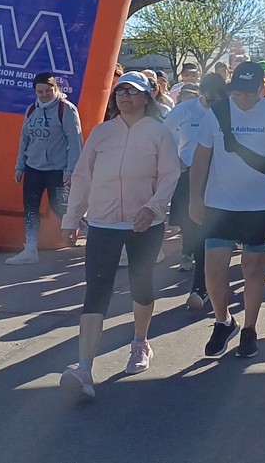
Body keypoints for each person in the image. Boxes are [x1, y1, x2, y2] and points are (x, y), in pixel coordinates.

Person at [58, 72, 180, 400]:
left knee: (142, 287)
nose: (125, 96)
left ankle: (140, 342)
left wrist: (153, 208)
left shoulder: (159, 133)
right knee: (96, 291)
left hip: (145, 225)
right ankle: (84, 368)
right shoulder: (102, 132)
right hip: (103, 223)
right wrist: (72, 218)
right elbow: (82, 176)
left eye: (132, 91)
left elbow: (170, 175)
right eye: (120, 91)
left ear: (146, 97)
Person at [189, 61, 265, 360]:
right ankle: (223, 321)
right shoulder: (217, 112)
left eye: (250, 93)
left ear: (262, 88)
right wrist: (194, 197)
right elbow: (201, 156)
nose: (244, 99)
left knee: (253, 267)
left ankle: (249, 328)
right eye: (238, 93)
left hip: (260, 205)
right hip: (220, 203)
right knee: (213, 267)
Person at [163, 76, 228, 311]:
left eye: (218, 101)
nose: (213, 105)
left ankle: (204, 286)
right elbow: (162, 135)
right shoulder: (185, 110)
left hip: (219, 178)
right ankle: (197, 277)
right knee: (193, 229)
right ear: (201, 94)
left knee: (210, 234)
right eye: (209, 100)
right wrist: (174, 159)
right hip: (190, 175)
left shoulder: (229, 111)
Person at [8, 72, 82, 265]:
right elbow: (24, 139)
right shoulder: (32, 109)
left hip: (57, 169)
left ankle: (93, 233)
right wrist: (19, 166)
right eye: (40, 92)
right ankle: (30, 249)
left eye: (48, 91)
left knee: (61, 207)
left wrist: (71, 171)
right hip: (33, 168)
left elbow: (75, 142)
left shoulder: (66, 109)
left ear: (56, 88)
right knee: (30, 208)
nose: (44, 95)